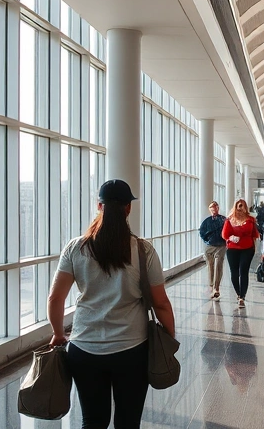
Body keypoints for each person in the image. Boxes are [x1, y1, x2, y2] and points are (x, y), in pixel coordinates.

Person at [47, 179, 175, 429]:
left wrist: (58, 334)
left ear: (99, 206)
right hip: (132, 350)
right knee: (128, 422)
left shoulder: (76, 247)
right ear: (128, 208)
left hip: (84, 350)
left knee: (92, 421)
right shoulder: (143, 249)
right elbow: (160, 303)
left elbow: (55, 298)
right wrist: (169, 336)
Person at [223, 199, 260, 308]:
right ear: (235, 206)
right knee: (234, 273)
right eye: (239, 206)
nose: (240, 208)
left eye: (242, 206)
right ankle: (238, 293)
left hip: (247, 248)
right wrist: (231, 237)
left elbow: (255, 234)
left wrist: (256, 246)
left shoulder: (251, 220)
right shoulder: (229, 220)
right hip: (232, 248)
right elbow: (225, 234)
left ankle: (242, 296)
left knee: (244, 271)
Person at [199, 201, 227, 300]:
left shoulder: (223, 220)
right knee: (210, 265)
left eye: (215, 208)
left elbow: (227, 231)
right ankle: (211, 285)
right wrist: (208, 240)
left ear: (218, 208)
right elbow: (202, 232)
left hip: (221, 245)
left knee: (218, 265)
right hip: (210, 245)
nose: (213, 210)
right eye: (211, 208)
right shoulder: (206, 221)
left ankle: (216, 288)